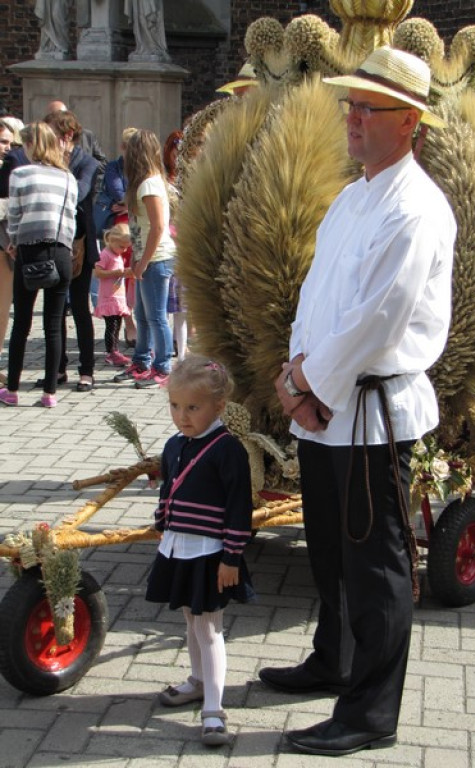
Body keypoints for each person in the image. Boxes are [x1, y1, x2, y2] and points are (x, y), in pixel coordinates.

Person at [259, 46, 456, 757]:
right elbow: (316, 300)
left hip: (372, 414)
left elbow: (379, 318)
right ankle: (333, 659)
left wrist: (309, 385)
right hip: (326, 406)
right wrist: (294, 377)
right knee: (332, 556)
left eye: (367, 110)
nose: (353, 120)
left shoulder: (417, 209)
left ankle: (371, 710)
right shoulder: (353, 196)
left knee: (377, 568)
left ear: (409, 123)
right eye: (352, 106)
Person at [145, 354, 254, 746]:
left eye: (193, 407)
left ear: (218, 407)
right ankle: (196, 681)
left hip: (209, 553)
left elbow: (240, 508)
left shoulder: (228, 450)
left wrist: (231, 557)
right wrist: (162, 523)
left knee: (209, 628)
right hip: (180, 547)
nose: (182, 415)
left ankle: (214, 709)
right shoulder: (175, 445)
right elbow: (167, 487)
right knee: (191, 621)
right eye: (175, 406)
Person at [0, 122, 77, 408]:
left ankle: (12, 390)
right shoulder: (68, 177)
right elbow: (70, 218)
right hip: (60, 251)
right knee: (54, 325)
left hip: (30, 252)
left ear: (33, 145)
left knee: (21, 322)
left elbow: (16, 216)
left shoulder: (20, 174)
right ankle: (49, 392)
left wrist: (14, 242)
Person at [113, 129, 175, 388]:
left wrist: (143, 262)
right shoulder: (147, 182)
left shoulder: (150, 184)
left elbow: (159, 226)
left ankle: (162, 367)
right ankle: (141, 360)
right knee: (142, 314)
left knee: (157, 316)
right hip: (147, 259)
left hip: (157, 259)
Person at [44, 110, 100, 392]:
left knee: (80, 308)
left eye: (52, 135)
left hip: (80, 244)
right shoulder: (45, 162)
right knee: (54, 311)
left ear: (67, 136)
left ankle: (87, 370)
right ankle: (58, 368)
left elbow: (80, 191)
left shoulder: (86, 162)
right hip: (53, 243)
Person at [100, 127, 139, 346]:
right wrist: (134, 204)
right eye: (128, 147)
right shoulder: (114, 168)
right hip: (121, 231)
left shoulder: (145, 167)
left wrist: (130, 205)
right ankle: (129, 322)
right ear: (122, 147)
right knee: (119, 277)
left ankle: (136, 320)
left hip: (138, 226)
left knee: (136, 277)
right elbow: (118, 194)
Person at [163, 130, 188, 360]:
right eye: (174, 151)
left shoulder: (189, 180)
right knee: (163, 308)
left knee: (181, 308)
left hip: (182, 246)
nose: (177, 156)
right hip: (165, 244)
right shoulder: (163, 181)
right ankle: (162, 350)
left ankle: (181, 352)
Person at [93, 222, 132, 367]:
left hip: (118, 296)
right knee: (111, 325)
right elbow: (98, 272)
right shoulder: (106, 254)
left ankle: (114, 350)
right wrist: (117, 273)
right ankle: (111, 352)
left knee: (117, 323)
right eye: (122, 246)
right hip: (109, 297)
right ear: (112, 241)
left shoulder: (117, 255)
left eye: (126, 247)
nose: (124, 249)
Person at [0, 119, 16, 384]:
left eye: (11, 143)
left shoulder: (11, 170)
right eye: (3, 141)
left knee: (2, 310)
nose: (8, 148)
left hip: (5, 248)